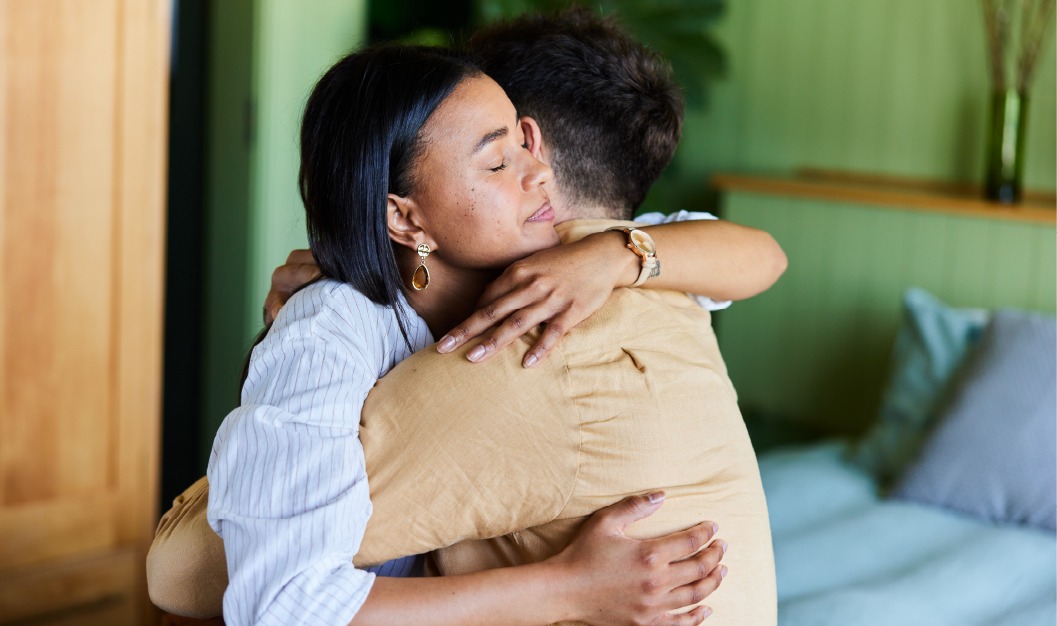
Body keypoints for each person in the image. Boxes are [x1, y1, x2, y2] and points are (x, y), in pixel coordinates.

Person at [148, 9, 787, 624]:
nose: (540, 173)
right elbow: (281, 606)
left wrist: (617, 255)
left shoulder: (576, 258)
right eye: (499, 159)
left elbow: (762, 255)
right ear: (404, 218)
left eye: (524, 142)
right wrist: (568, 587)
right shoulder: (328, 334)